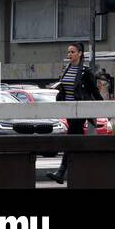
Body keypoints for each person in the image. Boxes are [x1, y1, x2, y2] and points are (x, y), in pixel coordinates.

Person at [47, 42, 103, 185]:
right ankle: (89, 170)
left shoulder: (85, 71)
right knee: (76, 141)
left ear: (80, 54)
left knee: (70, 138)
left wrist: (104, 107)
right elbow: (65, 89)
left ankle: (61, 171)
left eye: (72, 52)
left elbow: (94, 92)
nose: (69, 54)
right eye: (68, 52)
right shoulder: (67, 69)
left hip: (80, 110)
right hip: (69, 110)